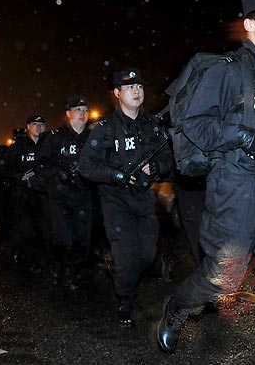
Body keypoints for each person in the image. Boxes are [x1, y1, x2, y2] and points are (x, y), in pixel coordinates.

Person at [156, 0, 255, 365]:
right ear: (249, 25)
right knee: (223, 279)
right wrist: (241, 135)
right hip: (233, 189)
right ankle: (177, 308)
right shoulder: (225, 71)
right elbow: (194, 123)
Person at [79, 68, 173, 327]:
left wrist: (156, 168)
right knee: (127, 256)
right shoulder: (105, 128)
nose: (136, 91)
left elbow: (167, 159)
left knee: (147, 254)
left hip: (143, 197)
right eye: (129, 87)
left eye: (139, 86)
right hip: (115, 200)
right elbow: (86, 165)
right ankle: (126, 300)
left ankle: (122, 272)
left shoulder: (152, 125)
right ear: (117, 94)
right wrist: (115, 175)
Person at [38, 95, 95, 289]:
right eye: (78, 110)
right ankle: (55, 266)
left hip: (84, 197)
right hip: (60, 198)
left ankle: (72, 272)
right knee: (63, 239)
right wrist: (58, 172)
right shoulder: (55, 137)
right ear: (68, 114)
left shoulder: (92, 138)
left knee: (83, 240)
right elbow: (41, 164)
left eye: (85, 110)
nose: (82, 114)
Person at [0, 114, 51, 271]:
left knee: (43, 231)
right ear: (28, 126)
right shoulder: (18, 146)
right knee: (25, 230)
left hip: (43, 196)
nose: (38, 127)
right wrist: (17, 176)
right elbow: (3, 167)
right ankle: (25, 257)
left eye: (41, 124)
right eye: (35, 124)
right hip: (23, 196)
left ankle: (38, 258)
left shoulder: (49, 146)